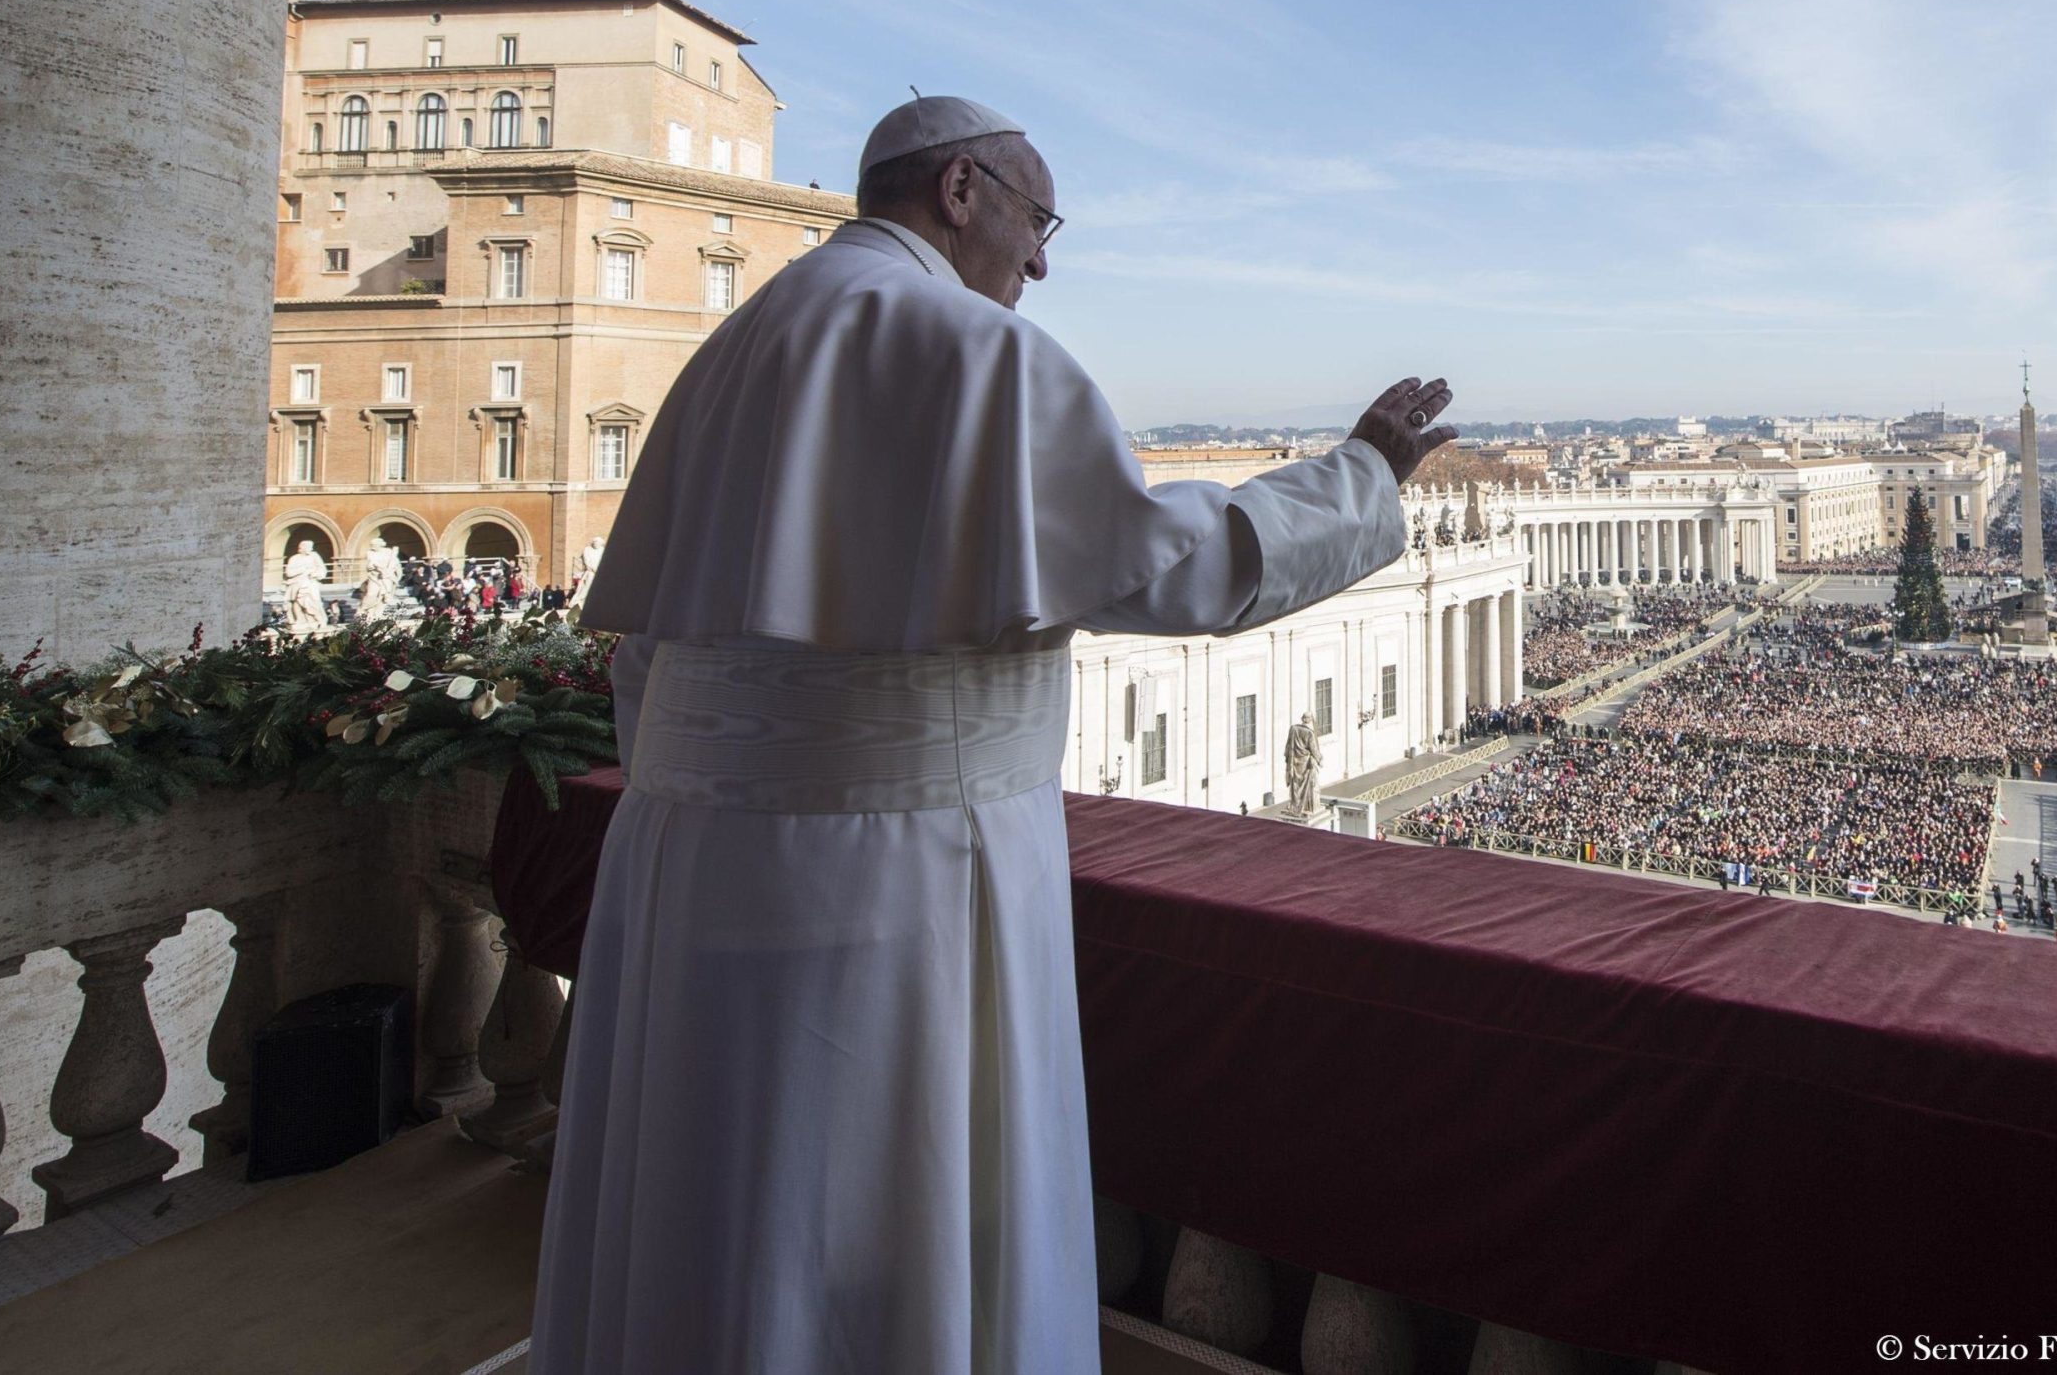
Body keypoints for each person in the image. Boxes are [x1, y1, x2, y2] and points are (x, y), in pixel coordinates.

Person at [533, 95, 1454, 1375]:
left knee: (712, 1205)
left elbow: (655, 656)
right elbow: (1170, 566)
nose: (1041, 260)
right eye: (1037, 219)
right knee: (884, 1224)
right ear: (961, 189)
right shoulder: (969, 350)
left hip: (686, 862)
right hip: (897, 875)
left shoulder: (732, 347)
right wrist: (1361, 475)